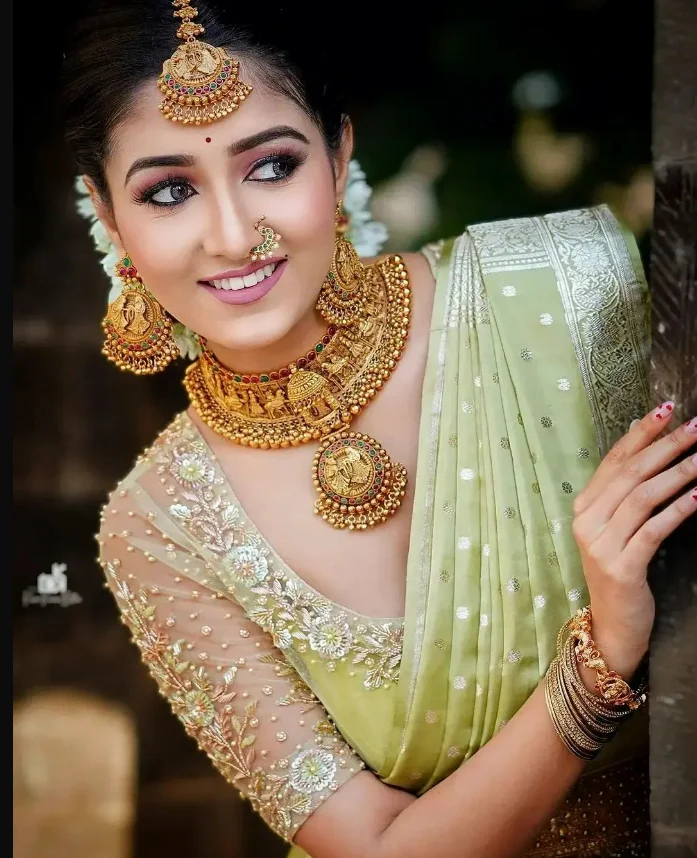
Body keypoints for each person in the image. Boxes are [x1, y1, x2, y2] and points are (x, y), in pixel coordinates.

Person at [61, 2, 697, 856]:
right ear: (109, 218)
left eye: (273, 167)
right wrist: (602, 655)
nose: (230, 235)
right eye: (169, 191)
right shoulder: (156, 529)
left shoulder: (560, 291)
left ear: (339, 152)